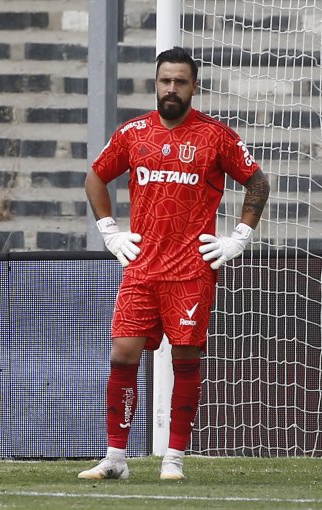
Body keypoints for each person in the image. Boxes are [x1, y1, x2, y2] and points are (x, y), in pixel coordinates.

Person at [78, 46, 270, 481]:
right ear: (156, 82)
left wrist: (239, 237)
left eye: (180, 81)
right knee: (123, 354)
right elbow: (95, 175)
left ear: (193, 86)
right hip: (142, 266)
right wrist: (109, 230)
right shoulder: (133, 133)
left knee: (185, 358)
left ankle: (173, 459)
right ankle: (115, 458)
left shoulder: (215, 136)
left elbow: (256, 180)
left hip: (190, 269)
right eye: (165, 80)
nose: (171, 88)